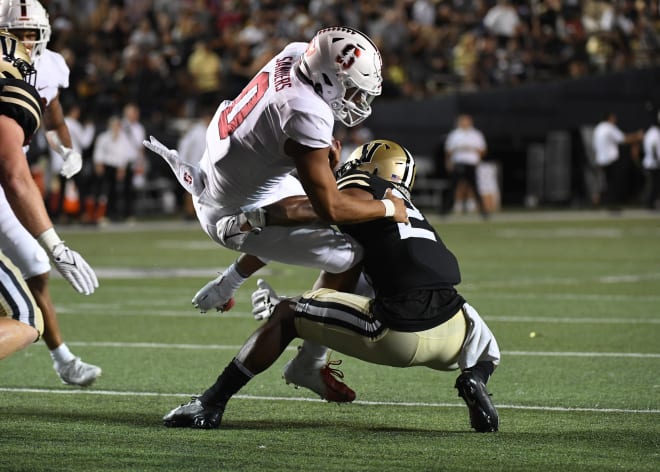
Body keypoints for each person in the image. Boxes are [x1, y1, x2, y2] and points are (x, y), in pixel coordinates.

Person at [162, 139, 500, 433]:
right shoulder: (407, 211)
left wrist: (256, 218)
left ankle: (210, 403)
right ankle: (477, 378)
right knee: (352, 264)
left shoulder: (364, 189)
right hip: (453, 333)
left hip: (399, 330)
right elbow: (318, 239)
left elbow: (314, 212)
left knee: (285, 315)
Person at [144, 27, 407, 403]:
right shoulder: (306, 112)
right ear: (329, 78)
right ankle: (309, 362)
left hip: (233, 181)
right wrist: (386, 207)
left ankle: (229, 280)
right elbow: (329, 208)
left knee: (297, 214)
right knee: (353, 255)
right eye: (350, 87)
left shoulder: (298, 54)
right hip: (232, 209)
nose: (356, 98)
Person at [0, 0, 101, 385]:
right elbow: (13, 176)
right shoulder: (11, 79)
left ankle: (62, 358)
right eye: (17, 34)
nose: (26, 42)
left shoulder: (50, 66)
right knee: (35, 272)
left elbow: (54, 117)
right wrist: (57, 246)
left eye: (32, 34)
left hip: (13, 168)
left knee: (36, 270)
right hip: (10, 175)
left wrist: (65, 149)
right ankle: (62, 357)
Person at [592, 111, 644, 211]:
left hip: (601, 159)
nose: (615, 120)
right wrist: (637, 136)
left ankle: (601, 202)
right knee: (613, 183)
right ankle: (611, 205)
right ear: (609, 118)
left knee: (605, 182)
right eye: (614, 118)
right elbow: (623, 139)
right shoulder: (609, 127)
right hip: (610, 160)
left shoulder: (598, 128)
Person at [445, 113, 489, 218]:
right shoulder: (454, 134)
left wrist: (471, 149)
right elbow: (448, 151)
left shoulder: (476, 134)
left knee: (475, 187)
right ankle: (445, 210)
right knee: (453, 187)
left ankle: (483, 211)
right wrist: (449, 161)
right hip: (458, 163)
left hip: (471, 164)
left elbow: (483, 151)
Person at [642, 108, 660, 211]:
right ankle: (650, 203)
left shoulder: (653, 132)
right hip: (653, 164)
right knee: (654, 185)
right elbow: (653, 148)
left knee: (655, 185)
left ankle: (652, 203)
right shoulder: (654, 133)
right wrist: (657, 161)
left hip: (653, 163)